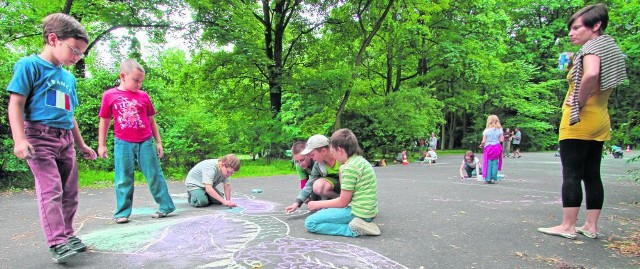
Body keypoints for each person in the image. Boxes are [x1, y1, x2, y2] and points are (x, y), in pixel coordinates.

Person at [6, 13, 96, 263]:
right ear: (53, 39)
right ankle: (57, 241)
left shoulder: (68, 77)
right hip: (38, 137)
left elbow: (70, 114)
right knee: (51, 189)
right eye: (74, 50)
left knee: (70, 191)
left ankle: (67, 234)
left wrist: (81, 144)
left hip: (65, 138)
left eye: (81, 53)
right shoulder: (30, 65)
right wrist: (19, 139)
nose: (77, 56)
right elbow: (16, 103)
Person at [538, 3, 627, 240]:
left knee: (572, 173)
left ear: (596, 25)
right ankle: (590, 226)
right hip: (600, 119)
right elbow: (595, 75)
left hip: (579, 121)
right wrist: (571, 63)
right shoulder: (609, 47)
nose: (571, 33)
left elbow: (591, 74)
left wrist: (578, 100)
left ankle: (567, 226)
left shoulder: (592, 48)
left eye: (576, 27)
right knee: (592, 174)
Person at [98, 59, 175, 224]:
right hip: (122, 142)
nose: (139, 84)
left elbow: (152, 120)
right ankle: (122, 212)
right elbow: (104, 120)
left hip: (145, 141)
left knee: (154, 174)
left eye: (141, 81)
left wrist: (159, 142)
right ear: (123, 76)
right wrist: (101, 144)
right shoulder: (110, 95)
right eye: (136, 80)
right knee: (123, 177)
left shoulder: (143, 96)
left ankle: (166, 206)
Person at [304, 128, 380, 237]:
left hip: (357, 212)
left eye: (333, 152)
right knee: (326, 213)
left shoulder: (350, 168)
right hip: (368, 212)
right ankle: (363, 224)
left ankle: (354, 230)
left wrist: (317, 203)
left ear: (340, 150)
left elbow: (342, 203)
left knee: (310, 223)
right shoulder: (360, 161)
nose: (333, 155)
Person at [285, 135, 341, 214]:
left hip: (349, 187)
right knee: (318, 185)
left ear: (324, 151)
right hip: (337, 188)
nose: (311, 157)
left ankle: (342, 202)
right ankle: (337, 201)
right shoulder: (318, 164)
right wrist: (297, 203)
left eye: (312, 154)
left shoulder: (341, 158)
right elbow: (309, 184)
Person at [479, 115, 504, 184]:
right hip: (497, 148)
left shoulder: (486, 131)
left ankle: (488, 178)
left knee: (488, 163)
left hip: (489, 148)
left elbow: (483, 141)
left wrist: (481, 145)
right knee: (495, 163)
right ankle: (493, 178)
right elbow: (501, 140)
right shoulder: (500, 130)